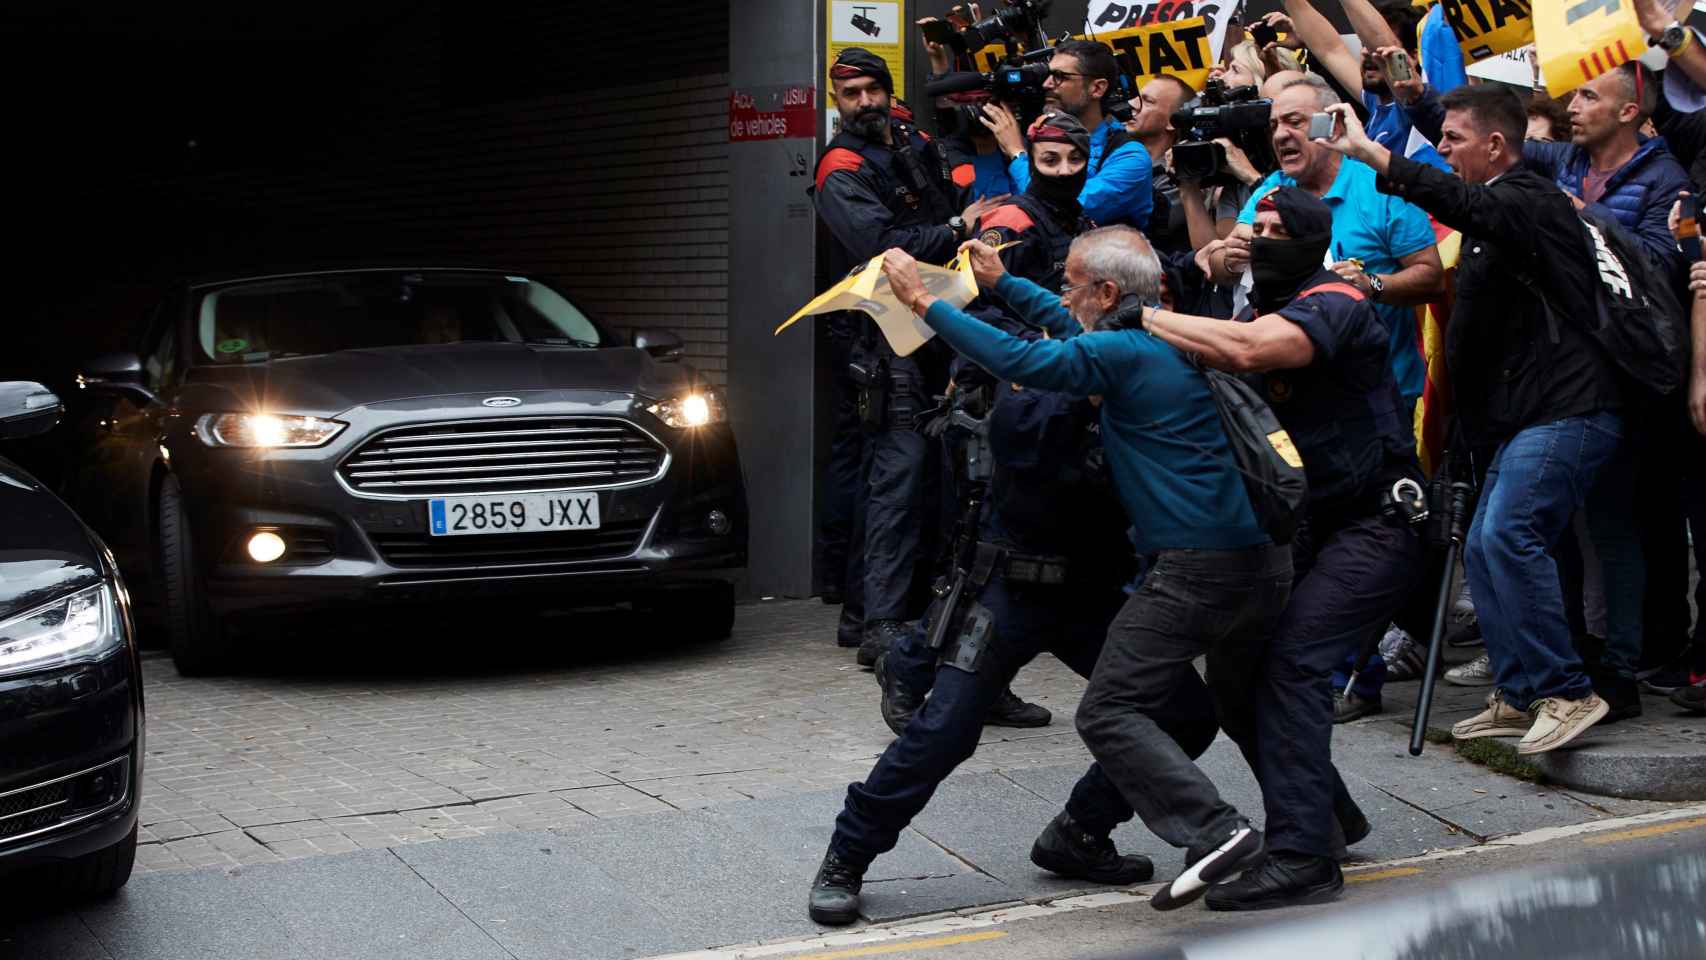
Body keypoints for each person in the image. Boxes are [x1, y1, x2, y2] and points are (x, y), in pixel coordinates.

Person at [882, 227, 1291, 912]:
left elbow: (1024, 358)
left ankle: (1217, 832)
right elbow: (1068, 329)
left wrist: (924, 303)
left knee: (1109, 710)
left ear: (1106, 293)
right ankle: (1320, 829)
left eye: (1071, 282)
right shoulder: (1166, 333)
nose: (1064, 292)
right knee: (1252, 700)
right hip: (1260, 559)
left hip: (1198, 569)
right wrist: (1001, 283)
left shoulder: (1122, 352)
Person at [1319, 83, 1622, 755]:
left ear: (1495, 145)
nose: (1445, 148)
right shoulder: (1498, 214)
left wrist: (1373, 155)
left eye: (1454, 139)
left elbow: (1463, 201)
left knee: (1509, 536)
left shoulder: (1527, 202)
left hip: (1569, 410)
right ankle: (1518, 696)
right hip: (1520, 418)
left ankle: (1566, 690)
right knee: (1486, 546)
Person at [1140, 185, 1416, 908]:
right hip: (1310, 526)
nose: (1257, 238)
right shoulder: (1261, 305)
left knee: (1294, 664)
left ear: (1309, 240)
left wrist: (1140, 313)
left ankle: (1302, 856)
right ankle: (1325, 814)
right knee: (1235, 672)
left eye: (1273, 229)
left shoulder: (1336, 301)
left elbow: (1253, 351)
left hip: (1377, 523)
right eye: (1252, 225)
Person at [812, 47, 1006, 665]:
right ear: (835, 100)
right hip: (883, 334)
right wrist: (956, 229)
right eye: (852, 94)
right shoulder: (840, 166)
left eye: (873, 89)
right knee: (896, 475)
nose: (865, 102)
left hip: (934, 322)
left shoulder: (908, 136)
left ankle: (874, 614)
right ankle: (879, 623)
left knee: (923, 476)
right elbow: (879, 246)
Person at [984, 40, 1154, 228]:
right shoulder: (1032, 139)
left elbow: (1060, 210)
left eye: (1060, 77)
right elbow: (994, 206)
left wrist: (1017, 154)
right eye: (1048, 75)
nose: (1047, 84)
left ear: (1097, 88)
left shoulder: (1131, 157)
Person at [1126, 73, 1198, 254]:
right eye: (1137, 97)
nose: (1133, 104)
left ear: (1172, 122)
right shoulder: (1113, 157)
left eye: (1147, 101)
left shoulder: (1180, 177)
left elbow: (1145, 227)